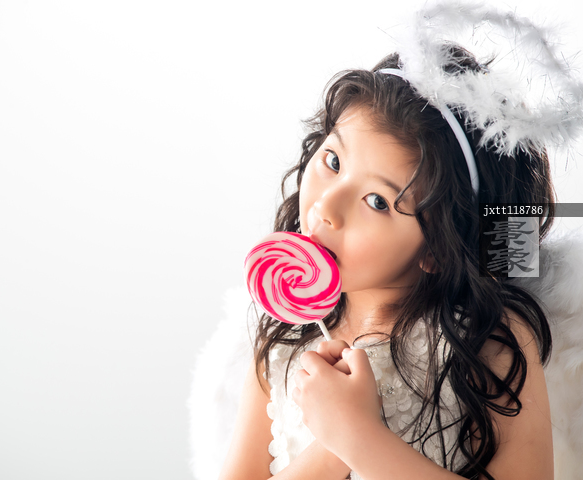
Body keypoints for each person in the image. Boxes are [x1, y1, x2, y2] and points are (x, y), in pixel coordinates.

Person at [212, 3, 583, 479]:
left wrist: (356, 437)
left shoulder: (487, 343)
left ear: (437, 247)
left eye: (377, 201)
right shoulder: (283, 336)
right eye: (333, 162)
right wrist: (328, 451)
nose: (326, 206)